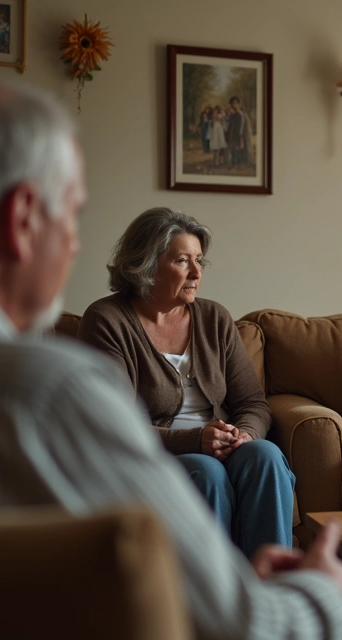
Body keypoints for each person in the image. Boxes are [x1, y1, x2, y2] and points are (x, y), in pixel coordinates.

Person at [0, 78, 342, 640]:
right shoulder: (47, 396)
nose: (72, 245)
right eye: (71, 215)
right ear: (22, 219)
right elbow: (248, 630)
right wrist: (321, 590)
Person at [78, 208, 294, 559]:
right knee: (205, 471)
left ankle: (275, 591)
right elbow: (114, 425)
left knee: (266, 456)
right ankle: (214, 604)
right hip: (154, 457)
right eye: (182, 261)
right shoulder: (107, 321)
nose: (196, 273)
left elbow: (253, 403)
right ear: (146, 265)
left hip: (223, 445)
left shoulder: (214, 318)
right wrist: (196, 440)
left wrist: (245, 435)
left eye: (199, 262)